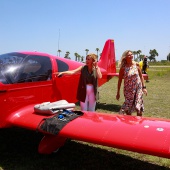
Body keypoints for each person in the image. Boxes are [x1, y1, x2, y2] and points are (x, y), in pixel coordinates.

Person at [116, 50, 147, 116]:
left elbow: (141, 76)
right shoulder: (123, 68)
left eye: (131, 54)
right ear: (125, 57)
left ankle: (139, 123)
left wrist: (144, 87)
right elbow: (120, 81)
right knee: (128, 108)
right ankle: (129, 123)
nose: (131, 56)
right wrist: (118, 92)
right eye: (129, 55)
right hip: (128, 90)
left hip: (138, 88)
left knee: (138, 106)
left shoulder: (136, 65)